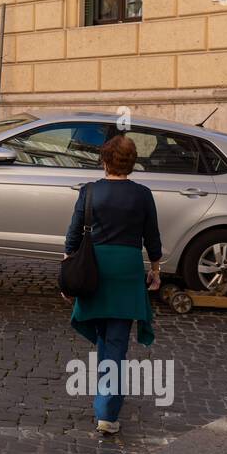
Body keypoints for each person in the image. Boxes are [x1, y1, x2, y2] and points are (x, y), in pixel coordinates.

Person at [64, 133, 161, 436]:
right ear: (132, 164)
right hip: (127, 269)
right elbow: (152, 238)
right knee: (116, 342)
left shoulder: (90, 191)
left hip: (94, 268)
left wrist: (68, 272)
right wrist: (156, 270)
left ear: (104, 160)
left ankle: (108, 401)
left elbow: (73, 236)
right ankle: (107, 409)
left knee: (104, 335)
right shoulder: (143, 194)